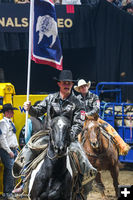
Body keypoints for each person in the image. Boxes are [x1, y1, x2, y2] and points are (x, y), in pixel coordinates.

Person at [12, 70, 97, 195]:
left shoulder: (78, 103)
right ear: (59, 84)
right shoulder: (50, 98)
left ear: (72, 85)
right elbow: (38, 112)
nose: (67, 85)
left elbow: (78, 123)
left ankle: (81, 186)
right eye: (64, 83)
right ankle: (24, 183)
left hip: (68, 138)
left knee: (82, 158)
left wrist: (67, 137)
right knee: (29, 149)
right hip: (48, 136)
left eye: (69, 83)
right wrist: (30, 108)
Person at [74, 79, 131, 155]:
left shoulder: (94, 96)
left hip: (95, 119)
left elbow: (97, 108)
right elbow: (76, 110)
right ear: (79, 89)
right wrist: (82, 116)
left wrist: (87, 114)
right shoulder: (77, 99)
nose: (83, 88)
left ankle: (121, 147)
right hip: (82, 121)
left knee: (110, 129)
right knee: (77, 135)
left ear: (87, 87)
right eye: (81, 87)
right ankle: (77, 154)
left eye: (85, 86)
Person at [0, 103, 19, 200]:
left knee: (11, 171)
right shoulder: (3, 123)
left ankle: (10, 191)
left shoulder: (10, 122)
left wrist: (16, 149)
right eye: (11, 111)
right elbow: (2, 138)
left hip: (12, 150)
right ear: (7, 112)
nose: (13, 112)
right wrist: (8, 151)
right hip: (6, 151)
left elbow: (11, 138)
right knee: (10, 170)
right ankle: (8, 192)